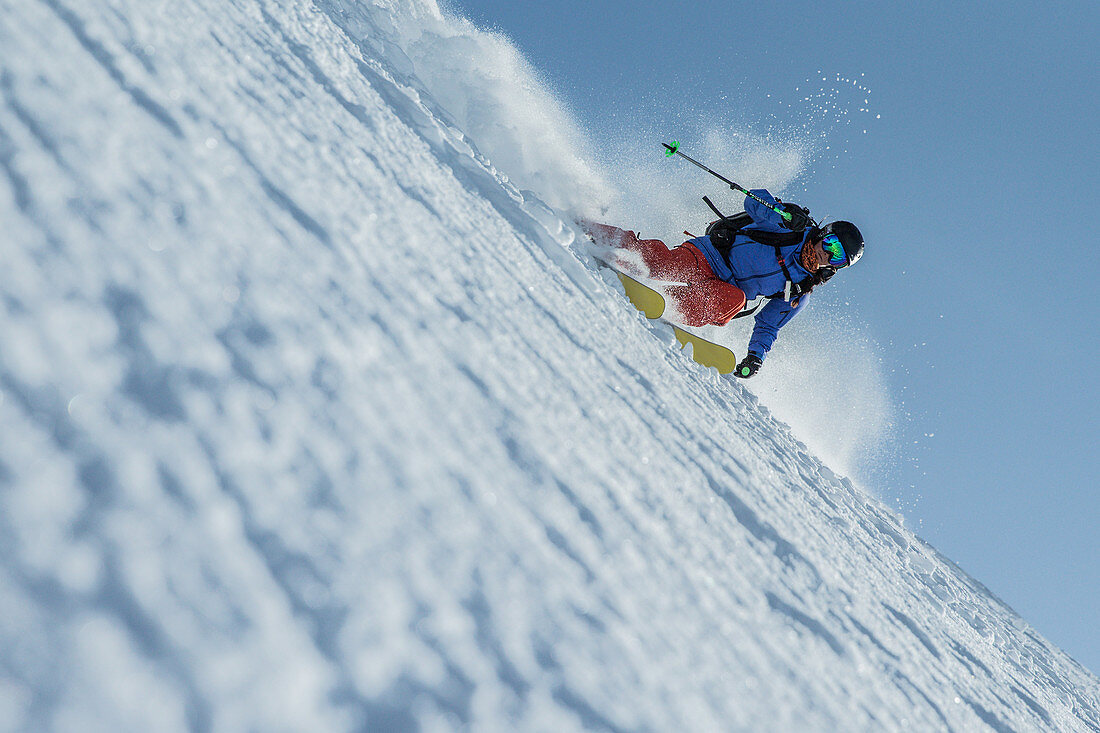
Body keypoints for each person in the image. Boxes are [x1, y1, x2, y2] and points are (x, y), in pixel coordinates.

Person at [581, 189, 863, 378]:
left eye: (838, 259)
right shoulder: (790, 228)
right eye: (832, 244)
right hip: (710, 256)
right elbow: (754, 200)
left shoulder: (799, 291)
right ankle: (592, 230)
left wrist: (756, 355)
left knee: (735, 301)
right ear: (824, 233)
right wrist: (781, 212)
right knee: (661, 264)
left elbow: (769, 325)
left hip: (722, 290)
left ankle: (668, 305)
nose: (828, 255)